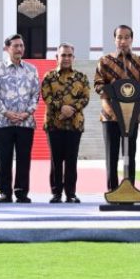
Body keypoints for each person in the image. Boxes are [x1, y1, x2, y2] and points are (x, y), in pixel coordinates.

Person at [94, 25, 140, 191]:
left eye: (127, 37)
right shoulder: (104, 61)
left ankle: (130, 190)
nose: (123, 41)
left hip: (131, 114)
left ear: (132, 39)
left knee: (130, 155)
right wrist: (113, 94)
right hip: (110, 115)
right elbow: (98, 85)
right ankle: (112, 191)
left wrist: (134, 94)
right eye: (119, 37)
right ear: (114, 39)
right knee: (111, 156)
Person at [0, 34, 40, 204]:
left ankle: (22, 192)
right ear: (7, 48)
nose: (19, 49)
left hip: (26, 122)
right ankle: (5, 192)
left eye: (21, 46)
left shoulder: (31, 69)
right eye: (15, 46)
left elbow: (36, 94)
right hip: (4, 123)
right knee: (4, 158)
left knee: (24, 158)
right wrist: (6, 112)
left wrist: (27, 113)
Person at [40, 43, 90, 203]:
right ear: (57, 57)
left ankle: (71, 193)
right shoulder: (49, 76)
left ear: (73, 58)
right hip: (54, 125)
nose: (66, 58)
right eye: (63, 55)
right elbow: (46, 96)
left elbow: (85, 97)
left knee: (71, 160)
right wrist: (62, 107)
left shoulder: (81, 77)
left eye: (69, 55)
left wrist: (71, 109)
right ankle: (56, 193)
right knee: (56, 160)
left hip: (75, 124)